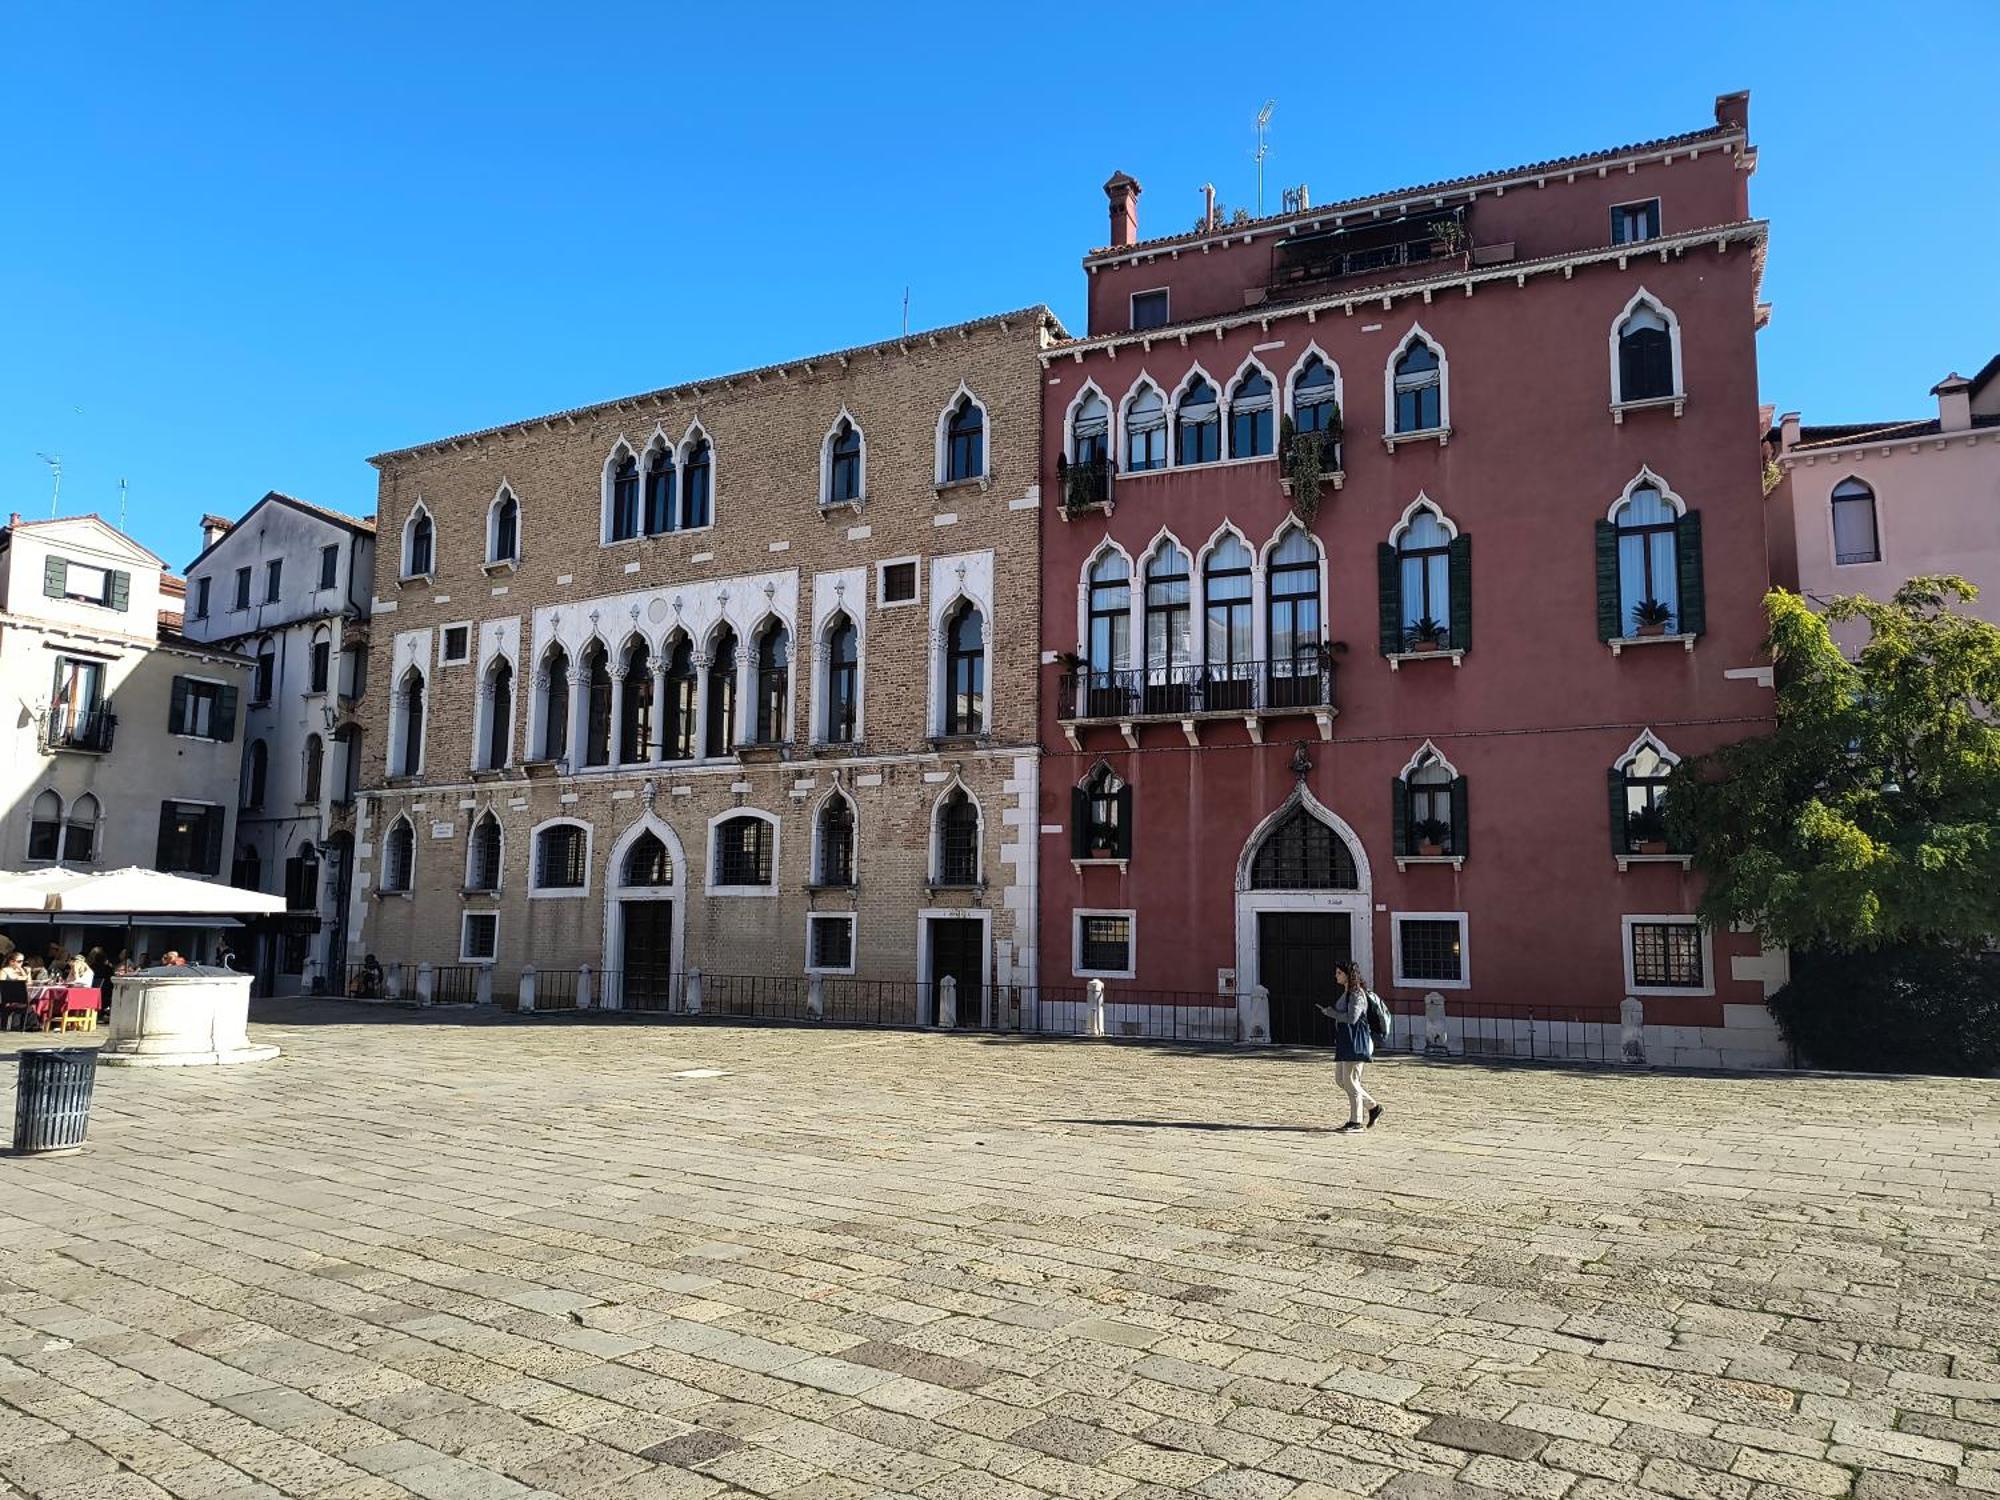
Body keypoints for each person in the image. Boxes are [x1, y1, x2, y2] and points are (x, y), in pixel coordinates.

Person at [1319, 962, 1387, 1133]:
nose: (1336, 975)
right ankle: (1373, 1106)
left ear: (1348, 975)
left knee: (1351, 1081)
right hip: (1345, 1041)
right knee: (1341, 1080)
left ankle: (1355, 1122)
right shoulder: (1347, 993)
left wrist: (1331, 1013)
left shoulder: (1356, 994)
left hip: (1356, 1041)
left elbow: (1352, 1018)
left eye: (1339, 973)